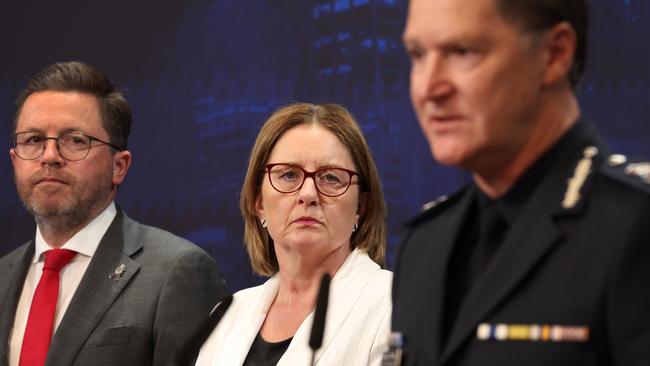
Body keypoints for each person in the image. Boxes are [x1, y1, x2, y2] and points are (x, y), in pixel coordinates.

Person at [392, 0, 650, 365]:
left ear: (554, 54)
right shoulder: (423, 247)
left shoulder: (634, 228)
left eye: (462, 52)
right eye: (417, 56)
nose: (429, 87)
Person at [0, 61, 227, 366]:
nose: (49, 156)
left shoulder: (176, 271)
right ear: (14, 159)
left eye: (75, 141)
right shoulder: (3, 275)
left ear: (118, 166)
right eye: (34, 140)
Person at [196, 103, 391, 365]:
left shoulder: (395, 305)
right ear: (259, 202)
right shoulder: (227, 316)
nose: (308, 194)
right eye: (288, 174)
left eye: (331, 178)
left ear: (361, 207)